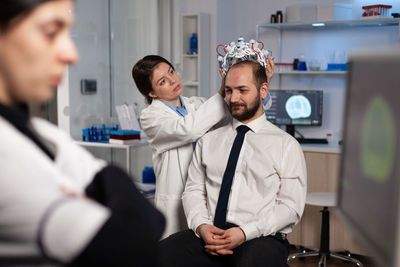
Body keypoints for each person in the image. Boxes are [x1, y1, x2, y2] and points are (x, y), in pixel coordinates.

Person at [0, 0, 165, 266]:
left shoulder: (44, 135)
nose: (71, 54)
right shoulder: (5, 158)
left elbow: (152, 217)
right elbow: (135, 244)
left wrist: (109, 181)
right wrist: (108, 186)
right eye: (51, 32)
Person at [159, 60, 307, 267]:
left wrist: (244, 233)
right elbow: (193, 190)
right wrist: (202, 226)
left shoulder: (286, 145)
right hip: (211, 232)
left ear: (263, 90)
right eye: (228, 91)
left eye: (242, 90)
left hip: (260, 236)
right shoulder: (208, 140)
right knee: (158, 256)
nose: (234, 98)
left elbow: (290, 207)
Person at [132, 55, 274, 238]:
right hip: (175, 196)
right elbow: (189, 129)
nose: (173, 80)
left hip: (203, 193)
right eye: (163, 81)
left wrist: (262, 83)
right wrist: (222, 91)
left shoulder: (197, 105)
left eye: (171, 72)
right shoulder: (151, 117)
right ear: (151, 93)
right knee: (174, 254)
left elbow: (240, 114)